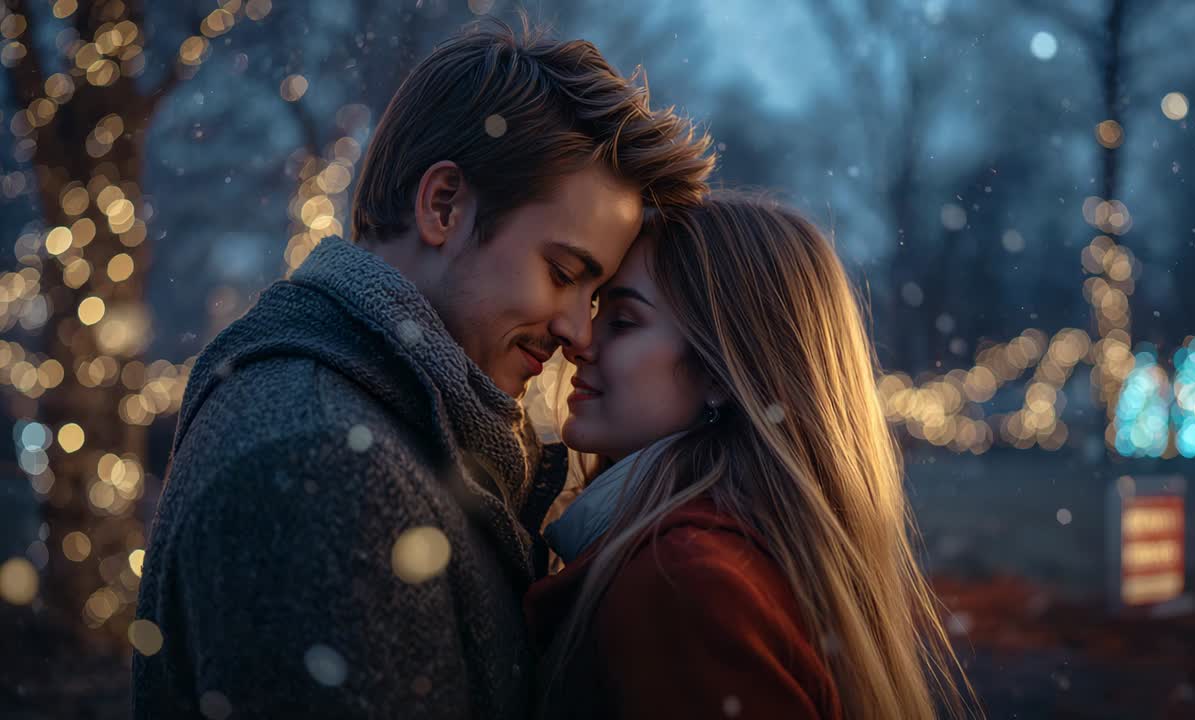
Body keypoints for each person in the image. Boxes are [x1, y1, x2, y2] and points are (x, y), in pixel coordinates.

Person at [132, 19, 713, 719]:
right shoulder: (322, 464)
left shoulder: (393, 427)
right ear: (443, 206)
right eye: (562, 272)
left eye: (597, 298)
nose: (577, 332)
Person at [525, 192, 977, 719]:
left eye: (623, 321)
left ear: (721, 370)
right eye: (596, 309)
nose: (579, 339)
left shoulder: (684, 583)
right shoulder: (732, 556)